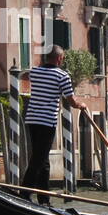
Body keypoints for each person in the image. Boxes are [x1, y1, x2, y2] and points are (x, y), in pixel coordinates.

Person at [22, 46, 83, 204]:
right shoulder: (62, 76)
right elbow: (71, 100)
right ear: (59, 58)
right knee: (38, 159)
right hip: (47, 121)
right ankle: (24, 193)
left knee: (44, 161)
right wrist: (81, 106)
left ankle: (44, 199)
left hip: (32, 119)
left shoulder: (34, 72)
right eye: (62, 58)